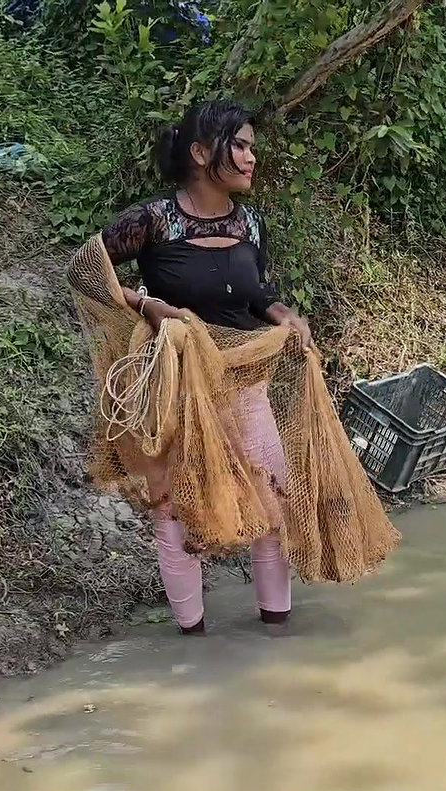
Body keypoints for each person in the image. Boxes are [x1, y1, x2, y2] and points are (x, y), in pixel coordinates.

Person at [70, 99, 313, 635]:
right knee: (174, 510)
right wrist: (144, 304)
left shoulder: (251, 220)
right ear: (202, 154)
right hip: (175, 389)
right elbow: (84, 269)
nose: (252, 158)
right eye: (242, 146)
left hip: (244, 384)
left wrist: (283, 316)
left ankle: (276, 628)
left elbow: (257, 293)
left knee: (271, 502)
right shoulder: (154, 220)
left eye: (252, 148)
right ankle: (192, 637)